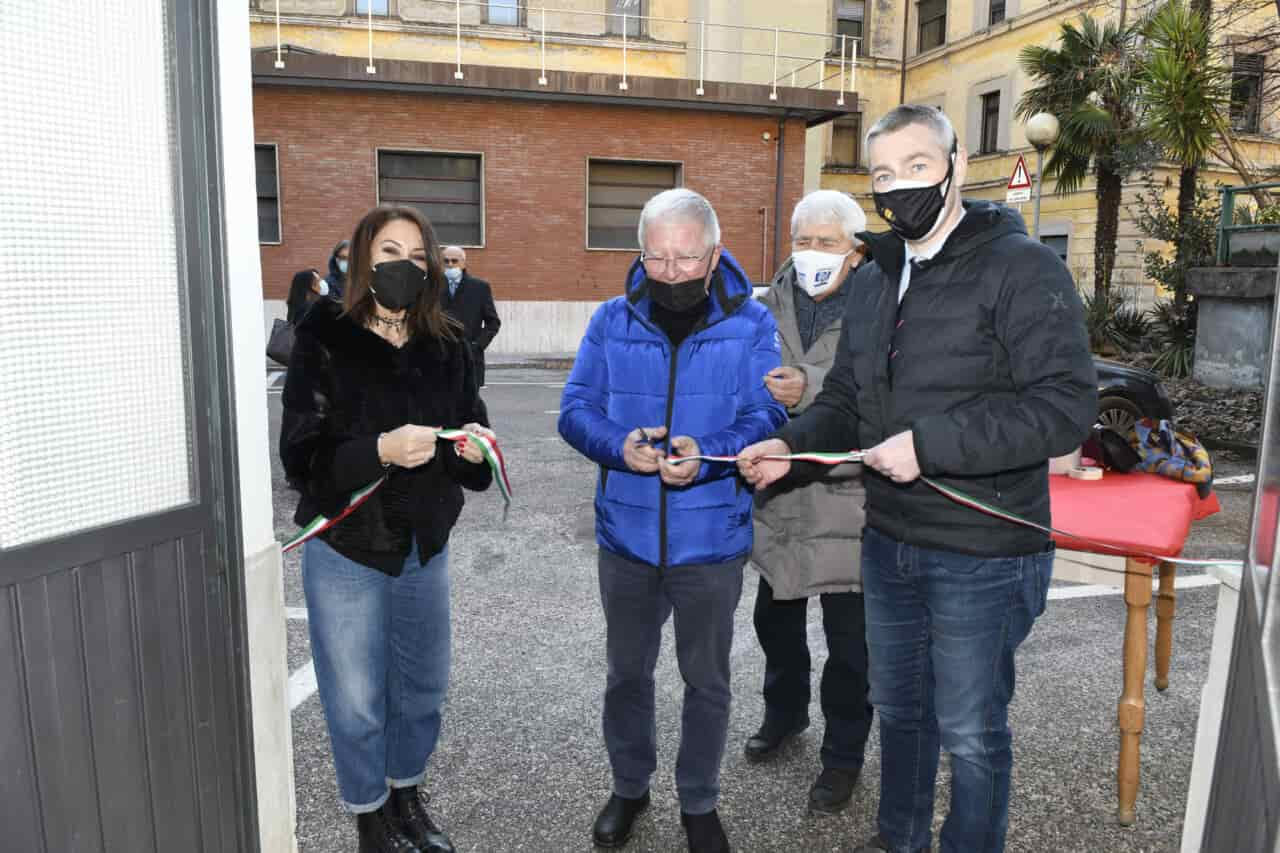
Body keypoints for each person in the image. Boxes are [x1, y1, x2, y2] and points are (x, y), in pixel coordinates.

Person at [738, 105, 1097, 853]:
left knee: (969, 730)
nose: (898, 188)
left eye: (917, 167)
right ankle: (897, 837)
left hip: (986, 549)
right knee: (900, 711)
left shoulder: (1023, 267)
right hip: (889, 539)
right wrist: (788, 444)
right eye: (882, 175)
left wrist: (927, 446)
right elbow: (842, 398)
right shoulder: (875, 281)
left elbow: (1064, 408)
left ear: (958, 166)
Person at [558, 188, 786, 853]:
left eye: (686, 258)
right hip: (625, 538)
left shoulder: (752, 325)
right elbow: (575, 410)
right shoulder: (609, 319)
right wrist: (618, 448)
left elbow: (768, 416)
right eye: (657, 258)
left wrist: (710, 458)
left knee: (707, 680)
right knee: (627, 674)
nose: (672, 272)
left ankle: (699, 801)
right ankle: (629, 787)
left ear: (714, 254)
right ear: (641, 253)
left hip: (710, 540)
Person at [281, 205, 493, 853]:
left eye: (416, 253)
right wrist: (378, 450)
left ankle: (407, 797)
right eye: (387, 250)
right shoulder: (324, 334)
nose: (403, 264)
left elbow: (469, 436)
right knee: (355, 699)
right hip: (347, 545)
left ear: (431, 265)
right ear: (360, 260)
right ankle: (370, 818)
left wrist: (475, 450)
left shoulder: (448, 339)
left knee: (422, 687)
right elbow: (302, 459)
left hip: (422, 543)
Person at [745, 190, 874, 816]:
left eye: (826, 242)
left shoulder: (883, 304)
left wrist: (809, 388)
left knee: (852, 646)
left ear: (855, 251)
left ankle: (843, 757)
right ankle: (784, 715)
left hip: (852, 494)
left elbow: (879, 387)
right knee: (775, 622)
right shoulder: (766, 304)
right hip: (784, 492)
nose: (811, 254)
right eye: (802, 240)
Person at [440, 246, 501, 388]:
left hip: (469, 360)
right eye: (446, 261)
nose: (450, 265)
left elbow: (493, 322)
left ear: (463, 263)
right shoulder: (433, 287)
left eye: (454, 261)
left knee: (467, 407)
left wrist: (478, 346)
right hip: (439, 359)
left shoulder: (480, 288)